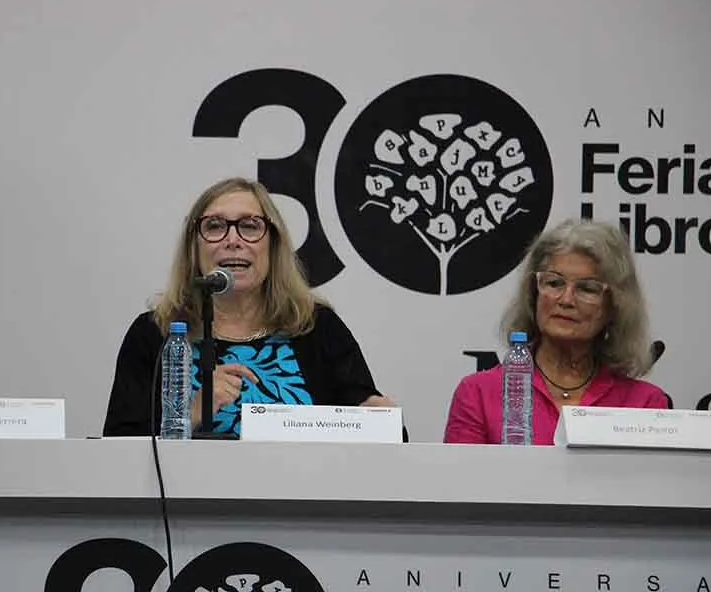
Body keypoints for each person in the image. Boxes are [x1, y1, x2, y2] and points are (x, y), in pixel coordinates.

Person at [103, 177, 393, 437]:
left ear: (273, 244)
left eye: (249, 226)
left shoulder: (316, 327)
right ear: (194, 247)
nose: (232, 240)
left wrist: (382, 422)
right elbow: (118, 448)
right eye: (214, 226)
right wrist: (189, 414)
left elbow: (368, 425)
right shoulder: (156, 331)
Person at [444, 219, 668, 445]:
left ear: (615, 306)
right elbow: (461, 479)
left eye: (587, 288)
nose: (566, 299)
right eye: (554, 283)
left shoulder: (644, 404)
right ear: (534, 294)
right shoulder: (478, 394)